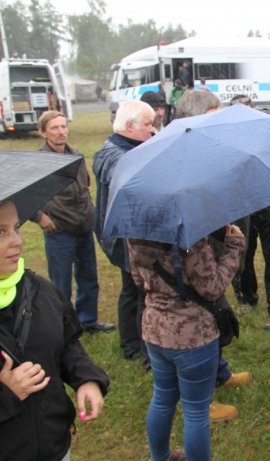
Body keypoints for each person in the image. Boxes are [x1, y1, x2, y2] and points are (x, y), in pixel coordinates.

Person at [0, 199, 109, 461]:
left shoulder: (38, 290)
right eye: (0, 232)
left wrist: (86, 379)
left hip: (55, 447)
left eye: (16, 227)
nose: (17, 241)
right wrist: (8, 394)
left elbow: (67, 342)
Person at [128, 222, 245, 461]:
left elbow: (138, 282)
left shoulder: (134, 233)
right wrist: (234, 246)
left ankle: (159, 457)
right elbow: (212, 288)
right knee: (196, 412)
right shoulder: (190, 238)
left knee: (162, 398)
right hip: (192, 336)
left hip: (155, 331)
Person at [175, 89, 253, 423]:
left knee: (216, 312)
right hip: (193, 252)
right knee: (203, 319)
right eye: (214, 112)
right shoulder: (180, 152)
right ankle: (201, 400)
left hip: (212, 240)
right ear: (198, 115)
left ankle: (219, 374)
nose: (220, 118)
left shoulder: (206, 146)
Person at [32, 111, 114, 332]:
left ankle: (87, 320)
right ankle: (65, 326)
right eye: (54, 128)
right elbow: (26, 196)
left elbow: (85, 187)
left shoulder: (76, 154)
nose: (61, 132)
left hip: (84, 227)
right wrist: (40, 217)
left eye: (63, 126)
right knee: (61, 284)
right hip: (59, 230)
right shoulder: (39, 161)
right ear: (43, 133)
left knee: (89, 277)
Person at [93, 100, 155, 370]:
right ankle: (143, 350)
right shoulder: (118, 155)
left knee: (130, 290)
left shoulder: (118, 148)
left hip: (121, 234)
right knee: (142, 291)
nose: (152, 131)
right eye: (148, 125)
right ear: (129, 126)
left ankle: (130, 344)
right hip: (125, 237)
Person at [230, 94, 270, 331]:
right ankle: (247, 298)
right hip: (241, 207)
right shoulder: (227, 140)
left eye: (247, 110)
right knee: (241, 256)